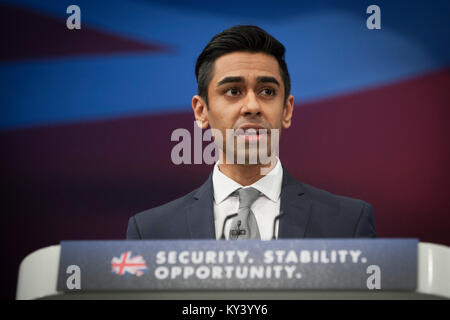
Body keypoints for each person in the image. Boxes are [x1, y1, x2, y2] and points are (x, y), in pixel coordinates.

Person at [126, 25, 376, 240]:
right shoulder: (150, 231)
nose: (253, 107)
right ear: (201, 111)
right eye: (233, 91)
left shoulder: (348, 224)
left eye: (267, 91)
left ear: (287, 110)